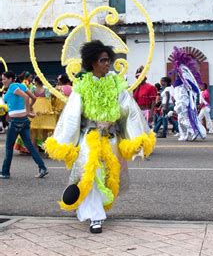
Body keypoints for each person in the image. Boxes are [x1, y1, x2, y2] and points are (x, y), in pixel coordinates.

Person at [44, 40, 155, 234]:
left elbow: (129, 111)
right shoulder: (82, 86)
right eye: (103, 60)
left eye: (108, 60)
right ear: (92, 63)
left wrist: (136, 138)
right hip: (90, 138)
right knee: (91, 173)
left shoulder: (116, 84)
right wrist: (64, 142)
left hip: (111, 139)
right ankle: (95, 217)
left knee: (108, 176)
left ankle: (95, 207)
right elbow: (71, 115)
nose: (107, 64)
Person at [0, 71, 48, 179]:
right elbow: (34, 98)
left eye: (4, 79)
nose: (2, 81)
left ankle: (5, 172)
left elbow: (26, 97)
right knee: (30, 146)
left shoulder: (12, 87)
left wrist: (28, 111)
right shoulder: (21, 85)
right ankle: (42, 168)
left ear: (11, 79)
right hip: (24, 120)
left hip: (15, 121)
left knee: (8, 147)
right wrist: (29, 110)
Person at [169, 47, 206, 141]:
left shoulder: (184, 70)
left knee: (183, 115)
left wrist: (195, 90)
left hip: (182, 96)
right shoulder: (181, 69)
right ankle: (184, 134)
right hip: (179, 95)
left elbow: (190, 83)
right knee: (180, 117)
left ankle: (194, 132)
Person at [30, 76, 57, 150]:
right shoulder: (47, 89)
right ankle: (46, 149)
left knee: (33, 132)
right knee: (45, 132)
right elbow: (49, 100)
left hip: (35, 111)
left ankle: (34, 150)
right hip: (45, 112)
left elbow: (30, 98)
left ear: (35, 82)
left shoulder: (32, 89)